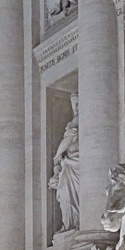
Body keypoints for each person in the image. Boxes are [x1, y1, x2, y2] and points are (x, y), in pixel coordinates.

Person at [47, 93, 81, 232]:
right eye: (73, 103)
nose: (74, 106)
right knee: (65, 193)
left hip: (76, 163)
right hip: (69, 163)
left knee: (71, 193)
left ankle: (75, 222)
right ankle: (69, 224)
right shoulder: (75, 120)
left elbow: (68, 139)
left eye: (77, 103)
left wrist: (57, 155)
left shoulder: (79, 118)